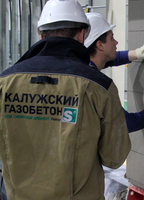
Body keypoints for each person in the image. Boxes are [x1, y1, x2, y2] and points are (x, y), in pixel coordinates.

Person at [0, 0, 131, 199]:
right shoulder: (99, 87)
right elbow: (114, 158)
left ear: (41, 35)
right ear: (81, 35)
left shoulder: (4, 83)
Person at [84, 12, 144, 133]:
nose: (116, 42)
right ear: (100, 45)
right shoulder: (97, 86)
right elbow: (127, 123)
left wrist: (138, 53)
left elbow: (107, 59)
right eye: (111, 38)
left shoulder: (80, 66)